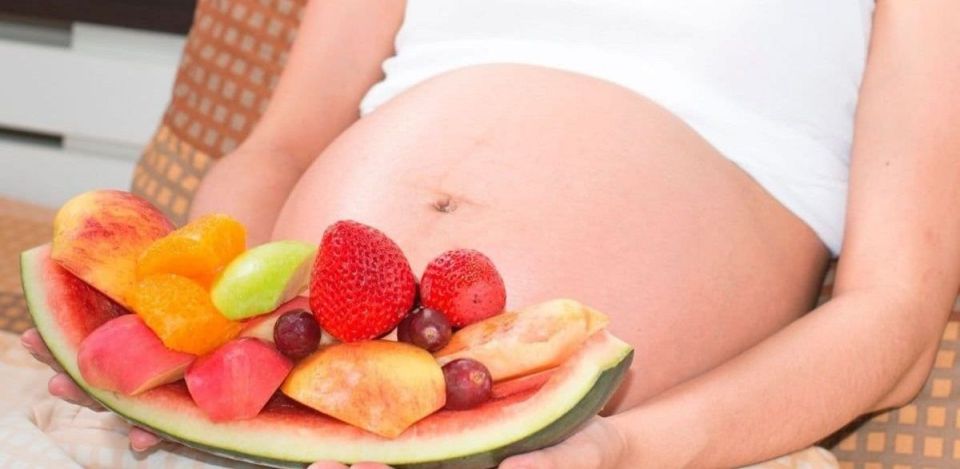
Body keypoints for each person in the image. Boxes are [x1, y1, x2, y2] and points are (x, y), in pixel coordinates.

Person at [21, 0, 960, 467]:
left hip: (604, 442)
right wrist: (187, 334)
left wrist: (628, 451)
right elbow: (280, 146)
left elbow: (896, 318)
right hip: (287, 398)